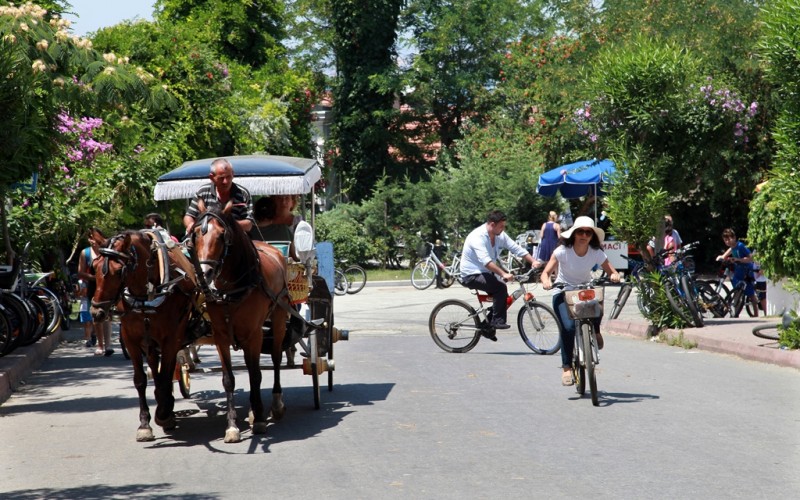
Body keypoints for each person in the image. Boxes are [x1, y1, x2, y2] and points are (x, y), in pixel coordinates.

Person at [540, 216, 621, 386]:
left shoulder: (596, 253)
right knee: (568, 328)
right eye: (580, 232)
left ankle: (596, 331)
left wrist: (614, 275)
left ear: (592, 236)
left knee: (597, 300)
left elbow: (612, 270)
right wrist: (547, 281)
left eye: (588, 232)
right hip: (563, 292)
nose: (584, 235)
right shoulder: (562, 251)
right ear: (574, 234)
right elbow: (545, 273)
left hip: (584, 290)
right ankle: (567, 368)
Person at [459, 210, 541, 339]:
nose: (503, 229)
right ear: (492, 224)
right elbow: (486, 262)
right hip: (471, 274)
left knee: (503, 298)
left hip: (486, 272)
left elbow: (515, 247)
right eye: (501, 226)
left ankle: (487, 327)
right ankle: (496, 321)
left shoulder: (499, 235)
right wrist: (504, 274)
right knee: (500, 288)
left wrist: (533, 261)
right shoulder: (477, 237)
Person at [183, 158, 255, 235]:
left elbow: (249, 224)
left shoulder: (243, 194)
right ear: (211, 177)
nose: (226, 181)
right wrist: (190, 224)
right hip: (207, 237)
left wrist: (224, 224)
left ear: (233, 174)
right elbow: (189, 216)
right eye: (221, 178)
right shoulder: (202, 192)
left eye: (228, 177)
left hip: (236, 239)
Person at [77, 228, 114, 356]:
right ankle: (100, 344)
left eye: (96, 238)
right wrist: (93, 277)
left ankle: (108, 345)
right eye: (91, 238)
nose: (93, 241)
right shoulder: (85, 253)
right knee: (96, 316)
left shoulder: (107, 251)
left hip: (107, 287)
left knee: (107, 315)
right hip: (93, 287)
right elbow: (80, 272)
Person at [716, 228, 758, 317]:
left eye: (729, 239)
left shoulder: (740, 246)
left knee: (751, 294)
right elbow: (730, 250)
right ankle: (735, 312)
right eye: (725, 240)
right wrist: (723, 256)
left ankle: (756, 314)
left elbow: (751, 258)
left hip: (746, 271)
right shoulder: (733, 246)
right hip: (738, 271)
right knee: (736, 291)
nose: (728, 241)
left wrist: (738, 259)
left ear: (734, 237)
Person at [77, 279, 95, 348]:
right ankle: (88, 339)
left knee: (93, 323)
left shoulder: (94, 281)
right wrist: (81, 292)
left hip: (93, 304)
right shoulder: (80, 282)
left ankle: (93, 334)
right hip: (84, 306)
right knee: (87, 323)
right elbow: (77, 294)